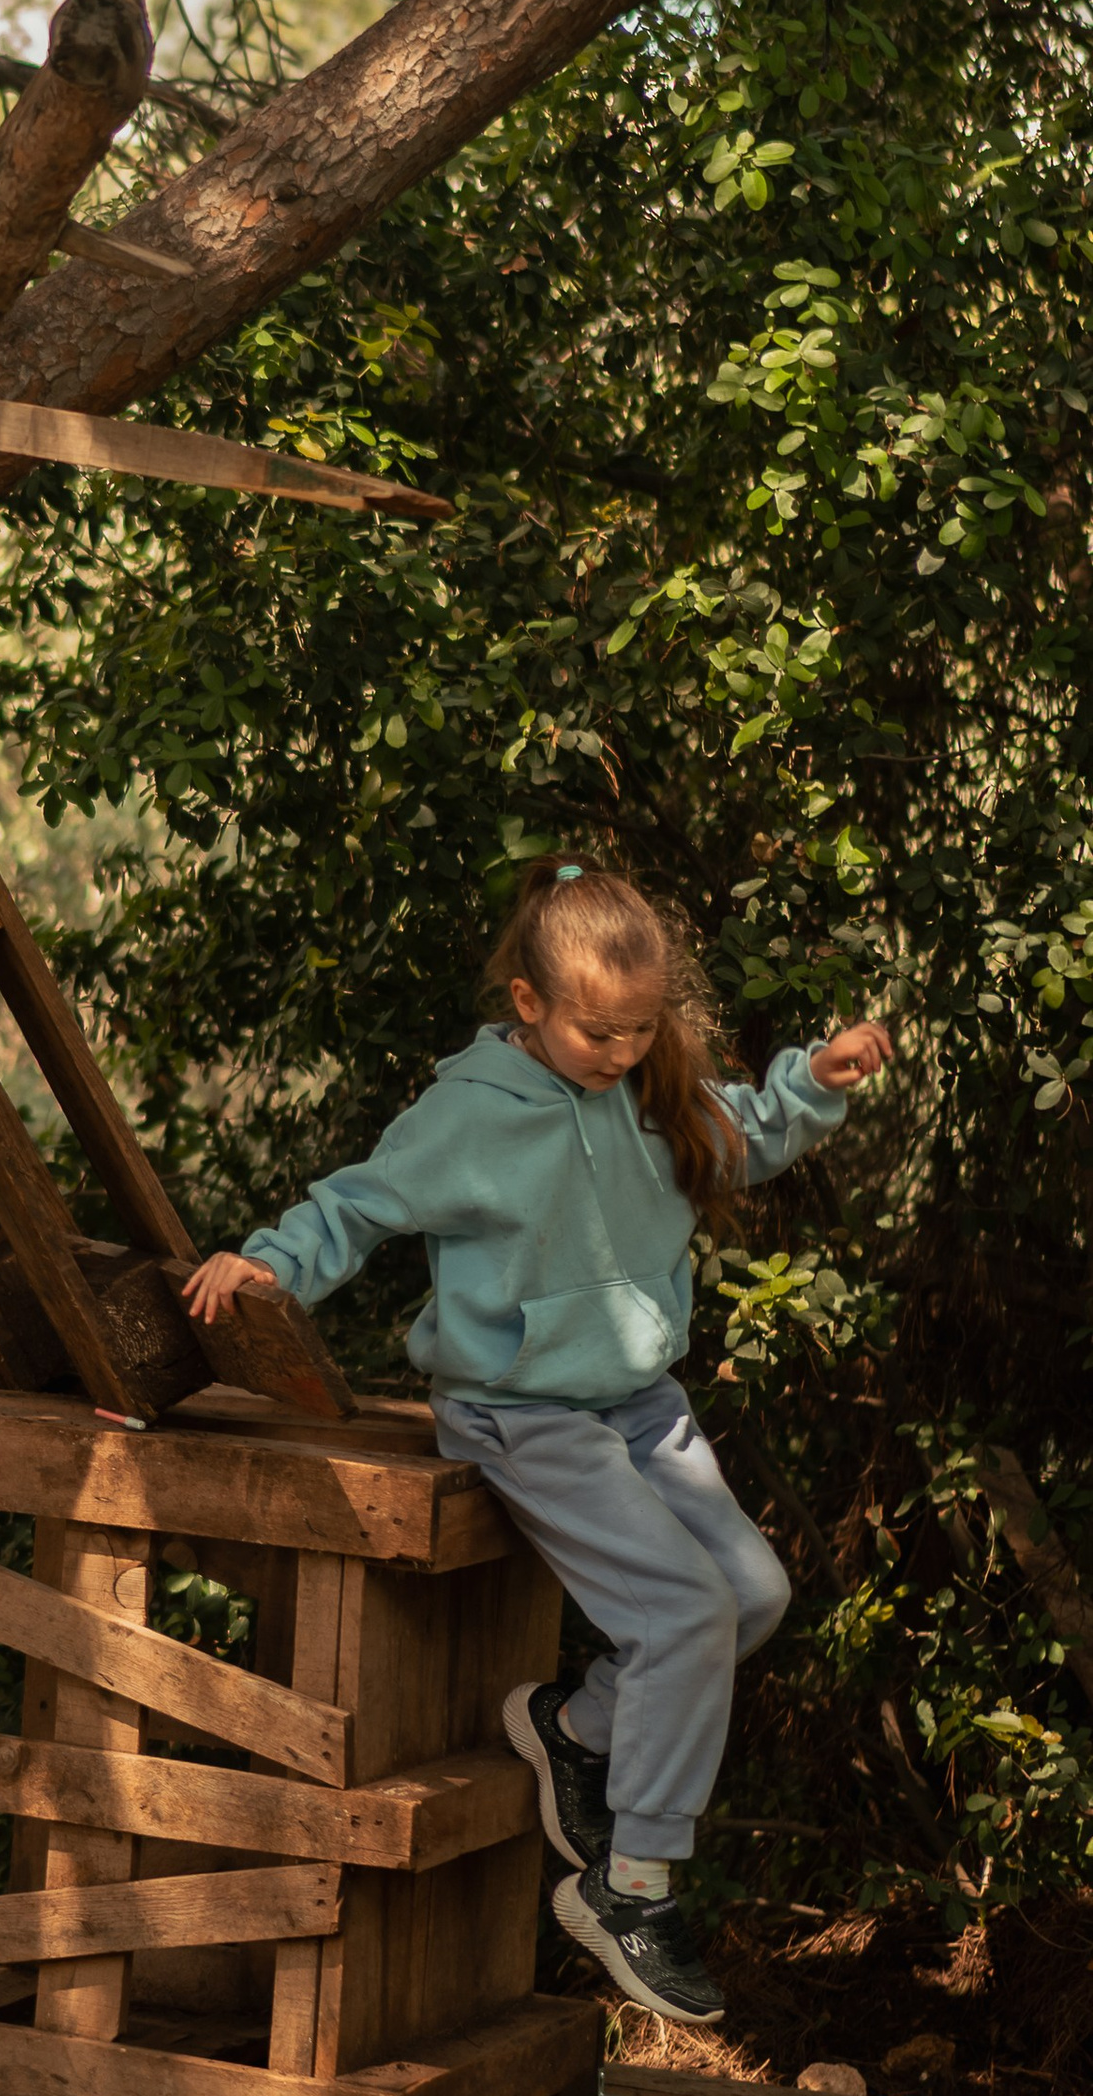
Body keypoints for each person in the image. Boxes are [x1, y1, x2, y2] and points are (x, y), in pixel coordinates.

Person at [180, 858, 893, 2028]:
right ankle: (631, 1888)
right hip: (522, 1409)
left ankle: (569, 1731)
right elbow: (356, 1203)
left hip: (639, 1400)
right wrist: (266, 1262)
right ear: (526, 1003)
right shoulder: (468, 1110)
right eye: (594, 1028)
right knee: (680, 1614)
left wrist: (812, 1079)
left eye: (638, 1026)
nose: (617, 1049)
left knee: (752, 1595)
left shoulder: (652, 1088)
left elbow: (747, 1136)